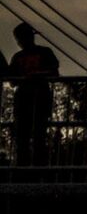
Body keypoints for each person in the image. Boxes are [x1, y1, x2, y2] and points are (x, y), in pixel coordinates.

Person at [8, 23, 60, 168]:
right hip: (28, 99)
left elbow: (54, 73)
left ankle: (34, 169)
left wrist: (34, 76)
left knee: (36, 136)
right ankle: (26, 169)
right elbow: (12, 81)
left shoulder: (41, 53)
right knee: (26, 137)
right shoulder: (19, 56)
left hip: (38, 98)